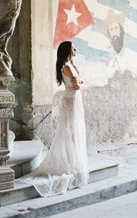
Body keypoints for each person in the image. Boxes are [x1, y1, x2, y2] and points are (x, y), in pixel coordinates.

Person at [16, 41, 89, 197]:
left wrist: (79, 80)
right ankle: (69, 161)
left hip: (73, 99)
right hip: (71, 100)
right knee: (70, 131)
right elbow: (77, 85)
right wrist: (81, 81)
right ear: (68, 50)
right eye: (73, 48)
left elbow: (76, 82)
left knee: (72, 131)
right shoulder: (67, 66)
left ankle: (72, 159)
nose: (76, 49)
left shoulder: (69, 64)